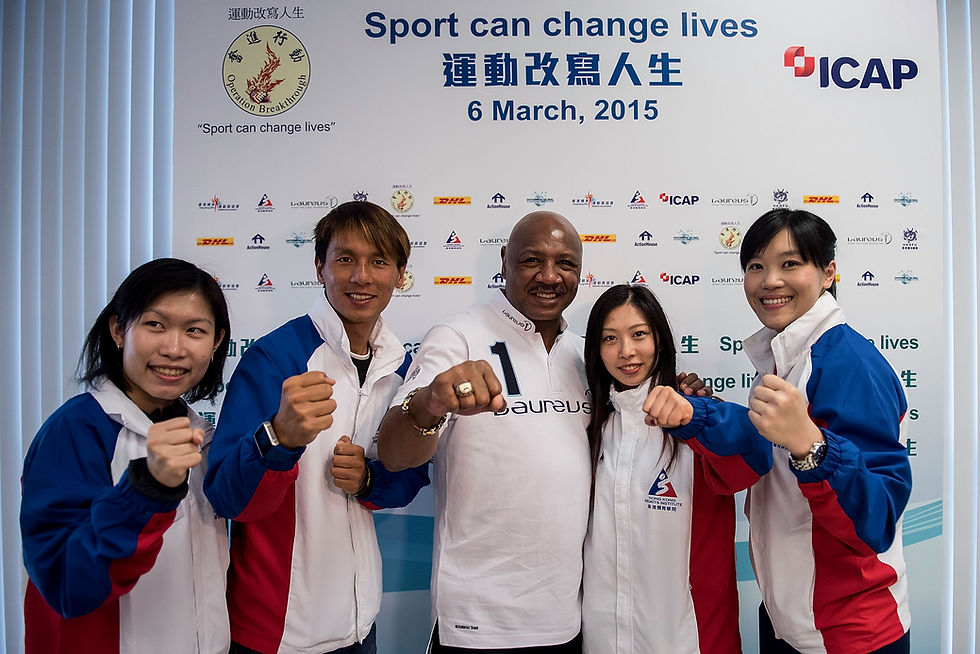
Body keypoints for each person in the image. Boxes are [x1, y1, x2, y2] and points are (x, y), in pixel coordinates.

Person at [645, 209, 912, 654]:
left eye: (790, 264)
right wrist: (701, 413)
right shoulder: (787, 356)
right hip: (788, 620)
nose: (770, 280)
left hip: (848, 632)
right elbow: (760, 464)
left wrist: (811, 445)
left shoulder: (848, 363)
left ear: (827, 273)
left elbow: (876, 521)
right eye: (756, 266)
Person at [203, 201, 430, 654]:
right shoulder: (274, 359)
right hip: (277, 631)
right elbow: (227, 498)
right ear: (319, 268)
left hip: (360, 623)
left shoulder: (401, 365)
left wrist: (369, 479)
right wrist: (278, 440)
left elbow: (411, 476)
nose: (361, 276)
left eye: (379, 261)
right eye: (345, 259)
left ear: (400, 275)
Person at [377, 210, 590, 653]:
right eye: (532, 260)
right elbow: (395, 454)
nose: (549, 276)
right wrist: (432, 402)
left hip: (567, 619)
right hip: (477, 622)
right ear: (504, 260)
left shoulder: (586, 355)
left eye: (565, 263)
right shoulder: (458, 337)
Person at [20, 257, 232, 654]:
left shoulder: (202, 436)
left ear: (216, 342)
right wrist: (146, 489)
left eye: (194, 330)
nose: (173, 348)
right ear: (119, 330)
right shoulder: (75, 431)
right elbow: (66, 586)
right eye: (155, 324)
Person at [581, 283, 748, 654]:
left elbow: (755, 456)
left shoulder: (697, 417)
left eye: (639, 334)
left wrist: (696, 415)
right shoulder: (593, 428)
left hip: (689, 640)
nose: (626, 351)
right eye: (610, 338)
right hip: (602, 638)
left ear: (660, 339)